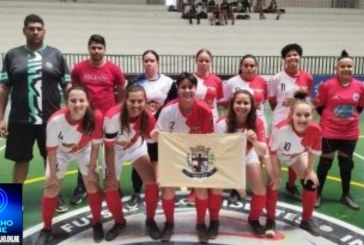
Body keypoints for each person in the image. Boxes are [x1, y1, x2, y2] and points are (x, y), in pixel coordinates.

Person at [0, 14, 71, 212]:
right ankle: (14, 202)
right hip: (20, 119)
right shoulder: (12, 55)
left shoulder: (56, 55)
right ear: (24, 30)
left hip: (51, 121)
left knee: (51, 159)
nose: (35, 32)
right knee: (20, 160)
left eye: (39, 28)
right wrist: (0, 119)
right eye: (31, 28)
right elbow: (4, 88)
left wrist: (70, 115)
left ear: (44, 31)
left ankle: (54, 195)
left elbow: (67, 87)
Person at [35, 86, 104, 244]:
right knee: (51, 187)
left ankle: (97, 222)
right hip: (60, 152)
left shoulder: (96, 117)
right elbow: (51, 151)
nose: (77, 104)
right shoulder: (55, 120)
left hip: (84, 150)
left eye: (81, 100)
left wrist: (92, 168)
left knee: (92, 183)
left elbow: (95, 146)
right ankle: (46, 228)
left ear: (88, 102)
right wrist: (52, 175)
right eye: (73, 100)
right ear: (66, 102)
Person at [155, 72, 215, 243]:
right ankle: (169, 223)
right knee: (167, 188)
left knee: (201, 188)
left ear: (195, 89)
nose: (187, 90)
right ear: (178, 89)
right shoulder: (167, 111)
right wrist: (160, 167)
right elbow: (161, 140)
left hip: (197, 154)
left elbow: (209, 140)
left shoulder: (204, 110)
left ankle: (201, 224)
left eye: (190, 87)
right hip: (172, 154)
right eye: (183, 87)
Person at [70, 34, 127, 206]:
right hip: (87, 118)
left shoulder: (113, 69)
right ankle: (83, 186)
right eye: (93, 47)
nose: (96, 51)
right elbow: (75, 91)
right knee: (84, 151)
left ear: (105, 49)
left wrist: (119, 109)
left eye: (99, 48)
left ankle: (112, 184)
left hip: (109, 118)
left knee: (111, 152)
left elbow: (122, 88)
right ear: (88, 48)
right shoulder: (79, 68)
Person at [102, 84, 160, 241]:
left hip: (136, 147)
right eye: (132, 101)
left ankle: (150, 220)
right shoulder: (112, 116)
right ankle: (119, 222)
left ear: (145, 101)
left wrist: (157, 170)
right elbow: (108, 149)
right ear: (125, 100)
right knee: (111, 186)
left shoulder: (148, 117)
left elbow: (154, 145)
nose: (136, 105)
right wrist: (111, 175)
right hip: (114, 150)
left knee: (152, 183)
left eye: (140, 101)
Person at [267, 90, 322, 237]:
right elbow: (272, 152)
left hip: (296, 156)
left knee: (311, 183)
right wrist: (276, 174)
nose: (303, 119)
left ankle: (306, 220)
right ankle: (270, 220)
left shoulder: (316, 130)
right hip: (276, 155)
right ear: (291, 115)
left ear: (312, 116)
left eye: (307, 115)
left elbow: (313, 152)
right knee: (274, 183)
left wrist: (310, 171)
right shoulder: (281, 129)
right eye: (298, 115)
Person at [314, 50, 364, 210]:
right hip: (330, 130)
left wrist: (346, 120)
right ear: (337, 68)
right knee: (325, 162)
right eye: (343, 66)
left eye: (349, 66)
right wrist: (332, 120)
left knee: (346, 163)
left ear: (352, 68)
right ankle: (317, 193)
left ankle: (345, 195)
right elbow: (320, 106)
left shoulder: (360, 87)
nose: (346, 69)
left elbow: (360, 107)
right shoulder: (327, 86)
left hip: (349, 132)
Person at [127, 50, 175, 210]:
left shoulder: (168, 82)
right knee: (139, 159)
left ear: (157, 62)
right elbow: (130, 104)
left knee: (160, 159)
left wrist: (161, 109)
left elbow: (173, 103)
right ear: (143, 63)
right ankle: (136, 192)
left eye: (152, 60)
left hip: (161, 127)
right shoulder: (136, 82)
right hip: (141, 128)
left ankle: (162, 189)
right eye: (146, 60)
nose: (149, 63)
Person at [215, 90, 268, 237]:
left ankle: (254, 219)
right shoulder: (221, 124)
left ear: (251, 106)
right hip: (225, 159)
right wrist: (235, 181)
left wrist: (254, 141)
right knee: (215, 190)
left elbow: (262, 151)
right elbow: (218, 154)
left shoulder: (257, 122)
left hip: (247, 154)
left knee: (260, 190)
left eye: (246, 103)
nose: (242, 106)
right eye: (238, 102)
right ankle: (214, 221)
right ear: (232, 105)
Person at [268, 43, 313, 201]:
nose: (292, 57)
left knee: (296, 152)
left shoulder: (307, 77)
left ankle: (291, 185)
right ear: (284, 59)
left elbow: (306, 100)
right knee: (275, 152)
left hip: (298, 122)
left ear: (300, 57)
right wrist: (284, 109)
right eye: (289, 55)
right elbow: (272, 100)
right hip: (280, 122)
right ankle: (274, 183)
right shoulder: (276, 78)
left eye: (295, 55)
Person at [222, 54, 268, 203]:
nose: (249, 68)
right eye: (246, 65)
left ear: (256, 67)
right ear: (241, 66)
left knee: (257, 154)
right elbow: (226, 101)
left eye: (252, 65)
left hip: (255, 122)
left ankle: (254, 182)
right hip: (236, 122)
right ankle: (235, 188)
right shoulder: (231, 82)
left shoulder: (262, 81)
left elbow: (265, 101)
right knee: (233, 152)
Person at [185, 49, 224, 205]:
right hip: (194, 121)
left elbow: (219, 104)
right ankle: (194, 189)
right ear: (196, 60)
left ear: (211, 62)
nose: (204, 63)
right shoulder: (190, 79)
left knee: (209, 155)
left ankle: (208, 186)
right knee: (195, 154)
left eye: (207, 60)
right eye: (201, 60)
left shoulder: (217, 81)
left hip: (211, 121)